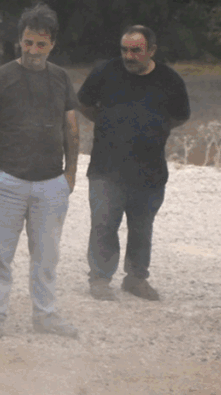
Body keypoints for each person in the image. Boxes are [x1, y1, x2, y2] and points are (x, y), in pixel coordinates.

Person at [0, 5, 79, 339]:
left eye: (41, 44)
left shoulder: (61, 78)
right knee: (0, 254)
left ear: (52, 45)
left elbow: (71, 127)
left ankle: (46, 315)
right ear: (20, 41)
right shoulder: (1, 78)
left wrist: (70, 175)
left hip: (51, 182)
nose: (33, 50)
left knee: (47, 257)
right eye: (28, 42)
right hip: (7, 182)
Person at [78, 24, 189, 300]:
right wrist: (107, 123)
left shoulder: (169, 80)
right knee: (104, 224)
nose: (128, 56)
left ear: (151, 50)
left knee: (141, 228)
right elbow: (85, 104)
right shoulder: (105, 72)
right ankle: (100, 279)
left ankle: (136, 279)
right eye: (125, 50)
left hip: (149, 170)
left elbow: (180, 116)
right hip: (106, 168)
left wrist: (154, 129)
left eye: (136, 50)